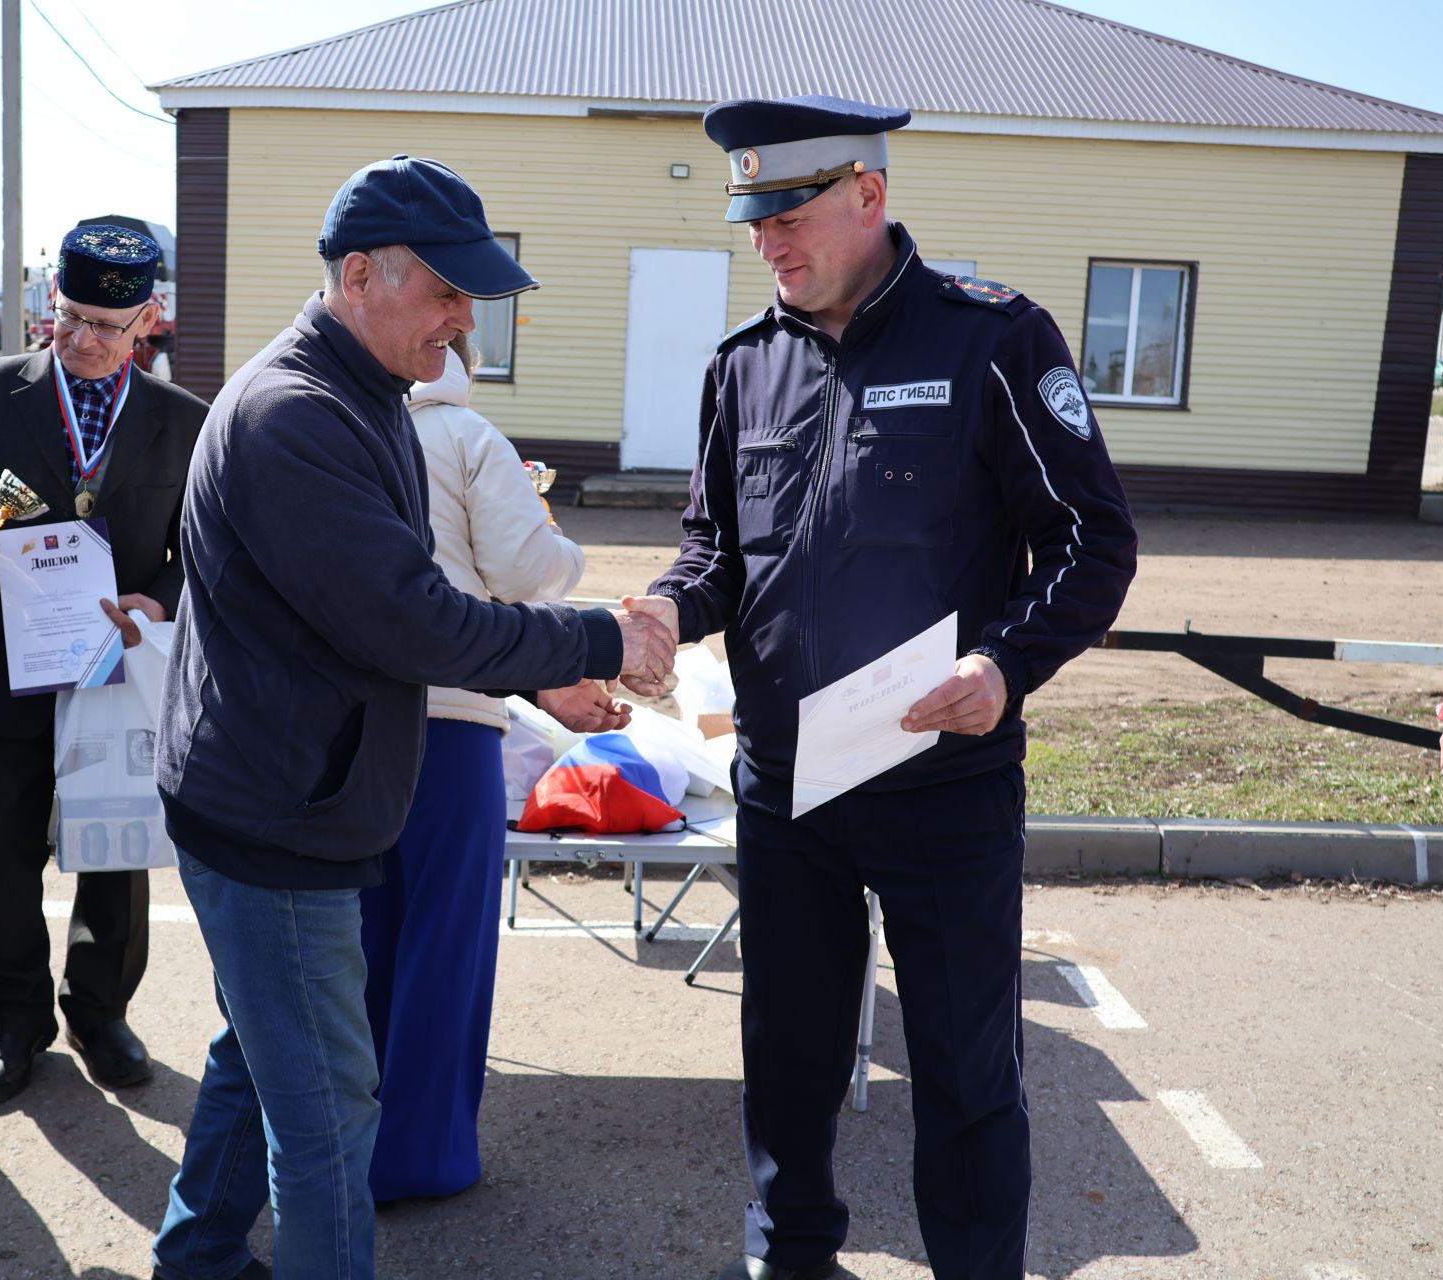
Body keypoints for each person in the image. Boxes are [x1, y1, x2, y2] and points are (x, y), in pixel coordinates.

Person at [624, 97, 1138, 1280]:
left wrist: (1005, 665)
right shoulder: (741, 365)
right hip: (784, 784)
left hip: (939, 782)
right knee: (788, 1051)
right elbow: (716, 551)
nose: (769, 243)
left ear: (870, 193)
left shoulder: (991, 339)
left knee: (964, 1066)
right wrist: (662, 605)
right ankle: (788, 1254)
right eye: (754, 221)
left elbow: (1089, 541)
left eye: (792, 213)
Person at [149, 155, 670, 1280]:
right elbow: (411, 620)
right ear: (356, 277)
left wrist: (539, 678)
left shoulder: (363, 394)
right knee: (331, 1113)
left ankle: (195, 1257)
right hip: (277, 814)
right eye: (443, 291)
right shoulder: (300, 414)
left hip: (281, 789)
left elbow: (390, 609)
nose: (462, 317)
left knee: (264, 1052)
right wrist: (591, 638)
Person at [0, 223, 208, 1107]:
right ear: (53, 302)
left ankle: (100, 1010)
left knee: (114, 853)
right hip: (6, 665)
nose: (81, 339)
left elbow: (200, 550)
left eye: (106, 326)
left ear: (147, 320)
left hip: (117, 672)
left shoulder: (185, 420)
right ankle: (13, 1020)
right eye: (69, 317)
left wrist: (158, 599)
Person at [361, 334, 594, 1205]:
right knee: (444, 948)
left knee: (362, 941)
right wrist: (560, 547)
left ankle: (347, 1145)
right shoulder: (463, 434)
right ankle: (424, 1155)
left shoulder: (339, 420)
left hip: (351, 724)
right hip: (453, 718)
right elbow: (529, 570)